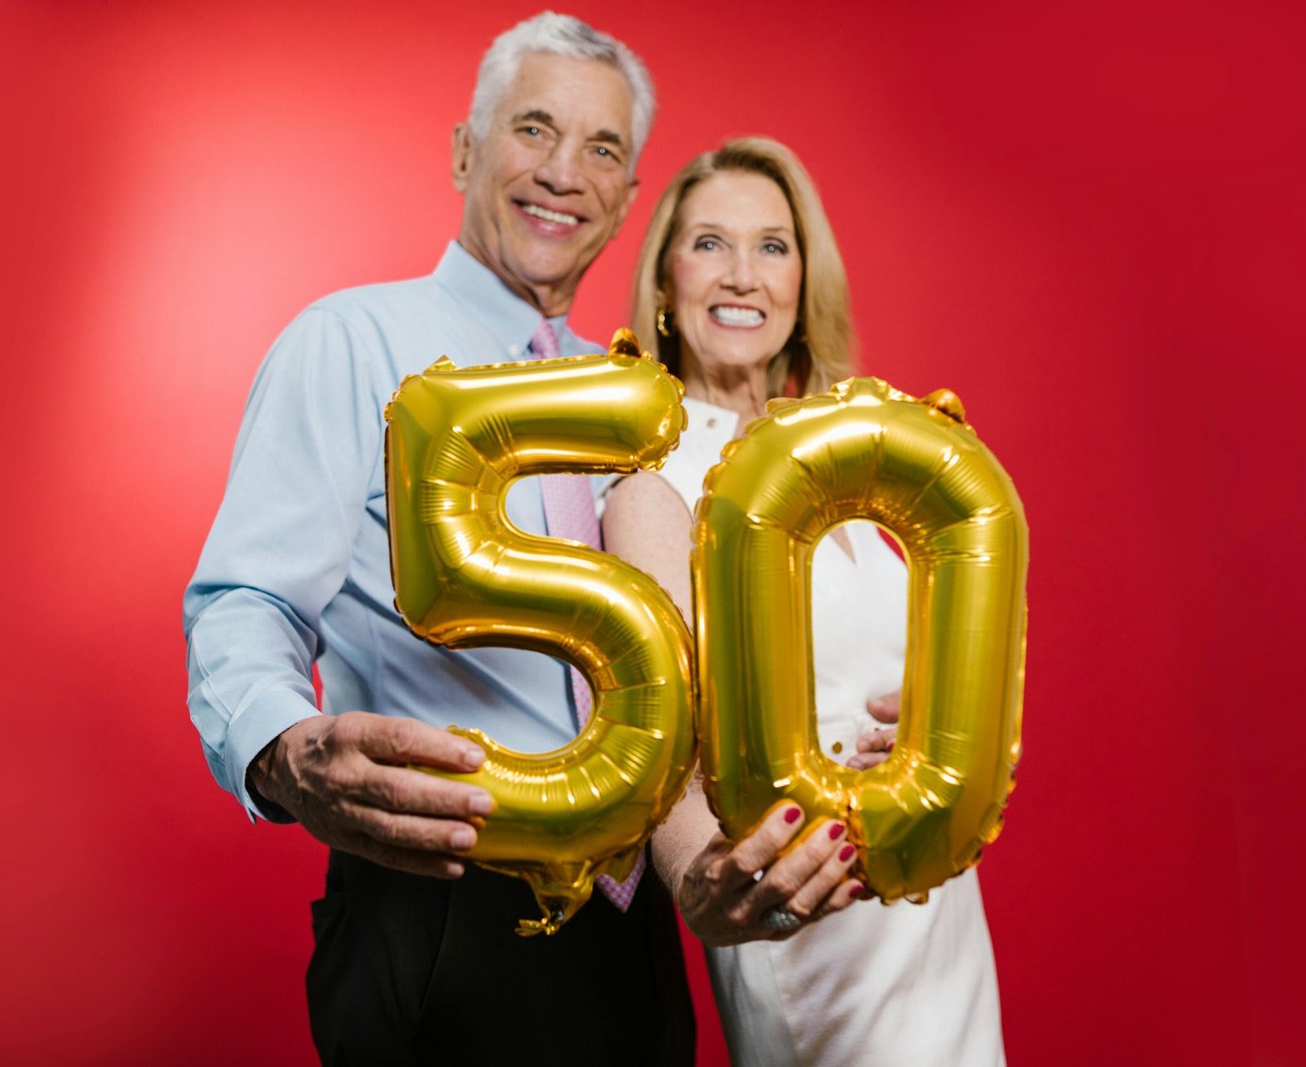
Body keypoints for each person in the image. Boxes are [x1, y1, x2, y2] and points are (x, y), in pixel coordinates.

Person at [184, 16, 855, 1064]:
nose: (563, 173)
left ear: (628, 200)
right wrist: (281, 747)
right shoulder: (352, 341)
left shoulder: (644, 406)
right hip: (444, 899)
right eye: (533, 129)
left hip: (630, 925)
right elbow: (245, 604)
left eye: (602, 151)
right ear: (465, 149)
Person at [605, 137, 1006, 1066]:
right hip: (806, 916)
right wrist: (705, 880)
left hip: (933, 920)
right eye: (708, 244)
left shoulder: (856, 466)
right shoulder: (654, 485)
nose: (742, 274)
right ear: (664, 284)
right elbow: (667, 735)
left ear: (803, 282)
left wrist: (948, 719)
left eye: (773, 246)